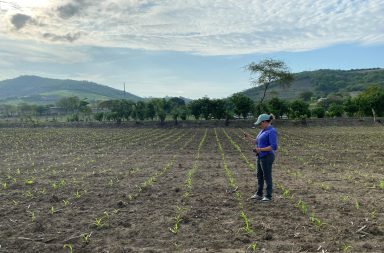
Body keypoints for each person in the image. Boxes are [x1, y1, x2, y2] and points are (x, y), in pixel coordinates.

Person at [244, 114, 278, 202]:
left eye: (260, 123)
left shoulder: (271, 131)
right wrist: (249, 138)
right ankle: (259, 194)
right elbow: (257, 141)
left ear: (264, 122)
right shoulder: (262, 131)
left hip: (267, 156)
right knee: (259, 175)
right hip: (260, 156)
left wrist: (260, 149)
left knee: (267, 176)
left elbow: (273, 146)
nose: (259, 125)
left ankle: (268, 196)